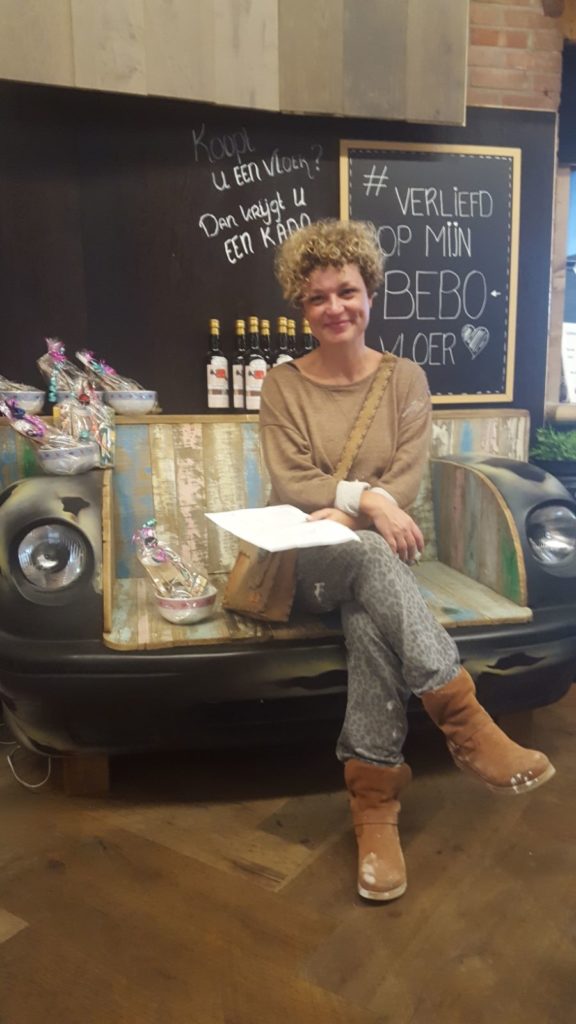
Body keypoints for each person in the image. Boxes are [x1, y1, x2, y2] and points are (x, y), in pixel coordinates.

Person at [259, 219, 556, 902]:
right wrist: (369, 501)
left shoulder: (406, 380)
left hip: (375, 566)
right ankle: (464, 719)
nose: (334, 307)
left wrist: (351, 511)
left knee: (370, 614)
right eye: (316, 297)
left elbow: (410, 478)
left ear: (371, 292)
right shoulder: (283, 386)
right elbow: (292, 482)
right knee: (368, 551)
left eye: (347, 291)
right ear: (301, 306)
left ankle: (374, 804)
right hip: (308, 565)